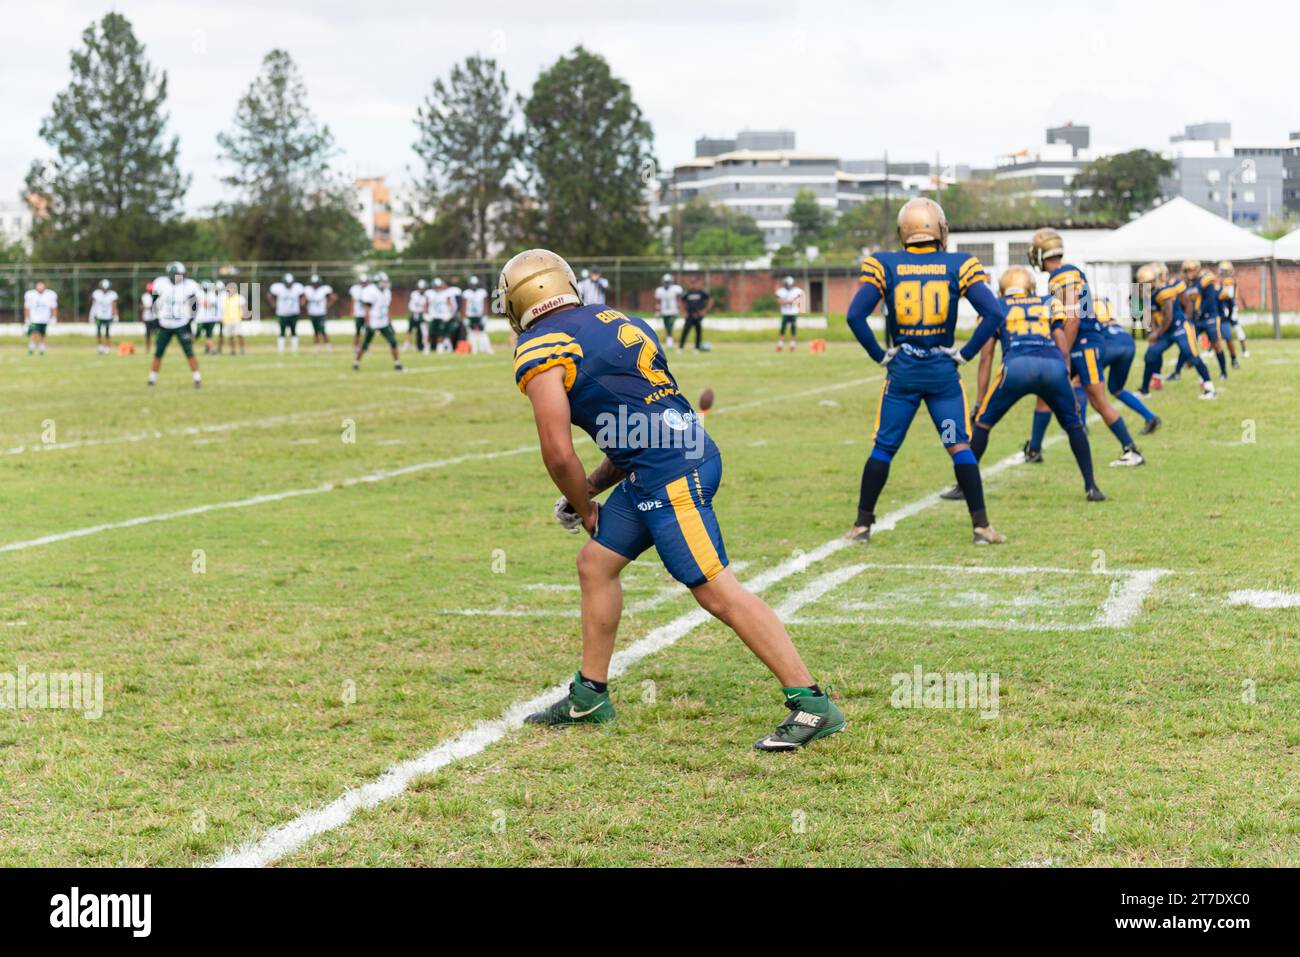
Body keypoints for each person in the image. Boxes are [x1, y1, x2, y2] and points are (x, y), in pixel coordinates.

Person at [505, 248, 844, 751]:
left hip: (669, 472)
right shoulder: (620, 320)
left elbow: (558, 454)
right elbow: (633, 422)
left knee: (714, 590)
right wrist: (592, 492)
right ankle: (590, 695)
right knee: (595, 564)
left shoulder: (540, 346)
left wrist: (581, 501)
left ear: (517, 300)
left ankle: (813, 704)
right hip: (669, 456)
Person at [844, 197, 1007, 545]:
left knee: (884, 447)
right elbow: (994, 313)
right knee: (957, 444)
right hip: (941, 376)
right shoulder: (957, 264)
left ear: (905, 230)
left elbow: (854, 315)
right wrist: (964, 353)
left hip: (903, 374)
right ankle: (981, 527)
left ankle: (861, 526)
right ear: (938, 228)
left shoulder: (885, 264)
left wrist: (879, 354)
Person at [940, 266, 1104, 502]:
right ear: (1031, 286)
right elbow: (1062, 343)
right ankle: (1091, 487)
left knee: (983, 424)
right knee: (1074, 425)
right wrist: (1065, 375)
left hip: (1017, 366)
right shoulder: (1048, 301)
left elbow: (986, 356)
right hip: (1052, 366)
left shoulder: (996, 305)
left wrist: (979, 400)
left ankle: (963, 486)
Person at [1021, 228, 1147, 467]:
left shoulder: (1063, 274)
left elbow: (1074, 317)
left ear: (1040, 253)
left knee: (1099, 401)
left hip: (1084, 343)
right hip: (1081, 342)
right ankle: (1034, 449)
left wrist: (1063, 354)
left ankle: (1132, 450)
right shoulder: (1062, 274)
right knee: (1045, 394)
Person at [1138, 261, 1216, 400]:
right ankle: (1144, 390)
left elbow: (1169, 316)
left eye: (1149, 281)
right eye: (1143, 282)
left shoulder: (1165, 291)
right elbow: (1145, 315)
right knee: (1150, 355)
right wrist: (1150, 332)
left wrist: (1158, 333)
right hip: (1165, 330)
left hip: (1178, 327)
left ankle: (1209, 387)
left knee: (1192, 355)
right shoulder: (1140, 293)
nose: (1145, 285)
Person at [147, 261, 202, 388]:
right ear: (171, 274)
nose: (181, 277)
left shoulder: (189, 286)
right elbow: (154, 302)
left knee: (189, 352)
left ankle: (197, 378)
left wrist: (191, 321)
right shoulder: (161, 283)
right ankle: (152, 379)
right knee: (158, 352)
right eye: (178, 274)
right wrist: (155, 320)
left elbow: (194, 304)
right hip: (164, 324)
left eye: (182, 274)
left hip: (181, 323)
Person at [353, 272, 403, 372]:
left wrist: (389, 321)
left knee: (393, 342)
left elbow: (387, 308)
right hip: (373, 322)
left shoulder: (387, 291)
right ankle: (356, 362)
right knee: (365, 345)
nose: (385, 284)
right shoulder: (371, 291)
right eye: (383, 282)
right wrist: (367, 323)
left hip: (383, 322)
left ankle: (397, 363)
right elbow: (367, 309)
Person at [269, 271, 304, 353]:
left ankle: (294, 350)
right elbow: (269, 295)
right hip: (282, 314)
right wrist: (273, 304)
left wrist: (302, 304)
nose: (288, 285)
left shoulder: (297, 288)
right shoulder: (278, 288)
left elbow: (303, 296)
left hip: (294, 313)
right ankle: (281, 350)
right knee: (282, 332)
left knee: (294, 331)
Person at [1216, 261, 1242, 365]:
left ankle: (1234, 358)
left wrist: (1230, 316)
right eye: (1223, 271)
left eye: (1226, 271)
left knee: (1228, 336)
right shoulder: (1217, 284)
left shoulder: (1230, 283)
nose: (1224, 273)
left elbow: (1231, 301)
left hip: (1223, 313)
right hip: (1214, 314)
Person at [24, 280, 58, 355]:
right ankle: (31, 348)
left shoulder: (50, 294)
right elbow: (27, 307)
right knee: (34, 333)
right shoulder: (30, 294)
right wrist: (27, 318)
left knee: (43, 334)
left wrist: (54, 317)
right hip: (34, 318)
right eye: (39, 286)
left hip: (45, 318)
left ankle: (42, 349)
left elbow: (54, 307)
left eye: (41, 286)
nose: (40, 288)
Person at [303, 274, 336, 351]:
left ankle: (328, 346)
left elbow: (333, 297)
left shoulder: (324, 289)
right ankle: (316, 347)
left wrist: (327, 305)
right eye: (314, 284)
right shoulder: (308, 290)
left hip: (321, 313)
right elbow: (303, 301)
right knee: (315, 331)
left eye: (316, 284)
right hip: (312, 313)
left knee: (323, 330)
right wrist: (305, 304)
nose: (315, 285)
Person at [654, 273, 684, 349]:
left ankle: (670, 343)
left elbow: (679, 300)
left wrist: (680, 309)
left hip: (673, 311)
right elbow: (658, 302)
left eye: (668, 282)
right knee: (667, 327)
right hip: (664, 312)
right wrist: (657, 311)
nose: (666, 284)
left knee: (670, 325)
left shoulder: (675, 289)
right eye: (665, 282)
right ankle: (670, 343)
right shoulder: (659, 290)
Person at [463, 276, 491, 353]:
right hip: (470, 315)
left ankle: (487, 349)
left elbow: (485, 304)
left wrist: (485, 315)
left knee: (482, 332)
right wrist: (464, 317)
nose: (473, 286)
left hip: (479, 315)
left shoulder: (482, 292)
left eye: (475, 285)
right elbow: (464, 305)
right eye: (472, 285)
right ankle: (473, 349)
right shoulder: (466, 293)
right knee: (471, 333)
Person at [90, 279, 119, 354]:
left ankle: (107, 348)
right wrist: (92, 314)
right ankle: (100, 347)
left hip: (108, 316)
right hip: (99, 316)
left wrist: (115, 315)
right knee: (98, 332)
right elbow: (94, 305)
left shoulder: (112, 294)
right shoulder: (97, 294)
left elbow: (114, 305)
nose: (105, 290)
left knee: (107, 332)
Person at [219, 280, 247, 355]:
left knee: (239, 334)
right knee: (230, 336)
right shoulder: (224, 298)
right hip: (227, 320)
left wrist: (244, 315)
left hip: (236, 319)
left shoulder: (239, 297)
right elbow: (222, 310)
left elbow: (243, 307)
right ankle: (233, 350)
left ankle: (242, 349)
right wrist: (222, 318)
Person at [775, 276, 803, 351]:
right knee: (782, 329)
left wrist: (786, 301)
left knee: (793, 328)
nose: (788, 286)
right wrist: (790, 301)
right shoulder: (781, 291)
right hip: (785, 313)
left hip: (793, 313)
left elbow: (798, 301)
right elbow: (779, 301)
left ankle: (792, 344)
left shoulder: (797, 290)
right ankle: (780, 344)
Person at [681, 283, 711, 351]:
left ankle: (697, 348)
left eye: (695, 283)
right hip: (689, 316)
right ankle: (681, 347)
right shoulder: (688, 293)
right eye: (692, 283)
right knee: (685, 331)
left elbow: (710, 300)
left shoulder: (701, 292)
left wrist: (705, 310)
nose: (694, 285)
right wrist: (683, 312)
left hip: (698, 316)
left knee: (698, 332)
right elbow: (681, 301)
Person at [349, 271, 370, 350]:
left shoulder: (370, 289)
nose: (363, 283)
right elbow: (353, 300)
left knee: (367, 332)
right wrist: (352, 310)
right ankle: (356, 347)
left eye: (365, 282)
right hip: (358, 313)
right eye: (362, 282)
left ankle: (365, 347)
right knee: (357, 331)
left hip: (367, 314)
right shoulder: (355, 289)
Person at [407, 279, 429, 352]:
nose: (421, 290)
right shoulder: (414, 294)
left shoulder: (427, 295)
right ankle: (408, 344)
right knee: (410, 330)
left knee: (423, 331)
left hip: (422, 314)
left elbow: (426, 306)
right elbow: (411, 304)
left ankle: (425, 345)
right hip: (414, 314)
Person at [140, 281, 158, 349]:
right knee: (147, 334)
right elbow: (141, 306)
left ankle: (157, 346)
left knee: (156, 333)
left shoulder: (156, 295)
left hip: (154, 317)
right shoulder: (144, 296)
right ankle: (148, 347)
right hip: (146, 317)